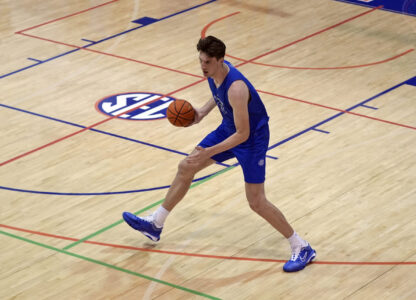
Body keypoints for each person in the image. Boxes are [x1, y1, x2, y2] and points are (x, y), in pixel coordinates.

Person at [123, 36, 316, 272]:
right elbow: (218, 94)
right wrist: (202, 112)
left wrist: (209, 153)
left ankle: (301, 246)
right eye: (201, 61)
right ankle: (155, 224)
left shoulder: (237, 88)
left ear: (220, 60)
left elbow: (243, 134)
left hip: (252, 139)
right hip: (229, 127)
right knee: (186, 166)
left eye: (207, 62)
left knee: (256, 202)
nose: (203, 66)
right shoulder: (216, 73)